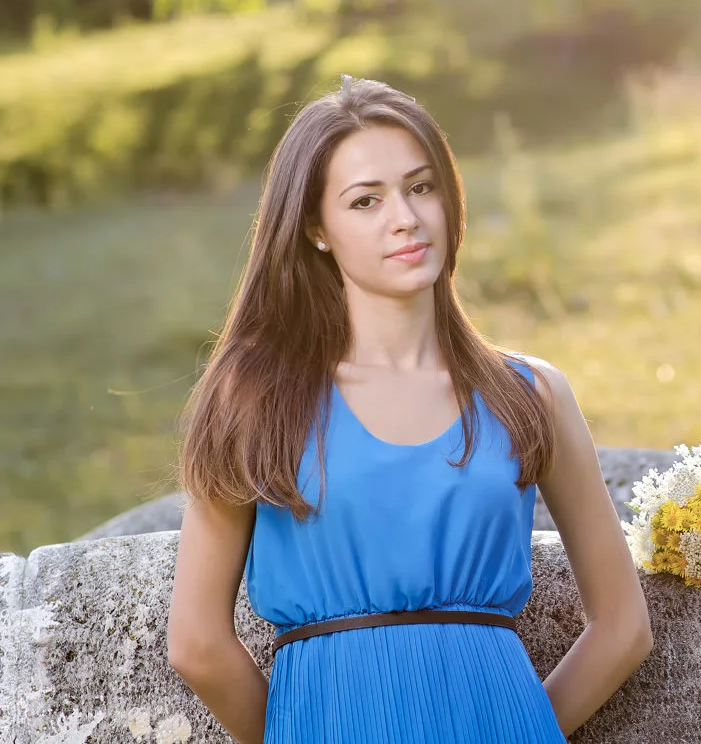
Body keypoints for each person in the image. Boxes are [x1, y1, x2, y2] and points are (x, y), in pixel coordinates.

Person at [166, 75, 653, 742]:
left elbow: (623, 627)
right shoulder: (257, 402)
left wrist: (523, 729)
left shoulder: (530, 394)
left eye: (421, 187)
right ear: (315, 228)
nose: (406, 218)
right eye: (365, 201)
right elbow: (196, 644)